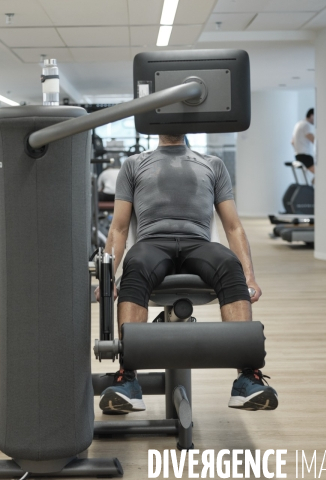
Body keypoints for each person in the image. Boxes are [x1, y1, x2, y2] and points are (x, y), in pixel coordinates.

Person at [96, 134, 278, 414]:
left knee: (230, 266)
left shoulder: (213, 164)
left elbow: (233, 226)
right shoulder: (133, 164)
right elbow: (119, 228)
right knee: (136, 266)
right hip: (152, 244)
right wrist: (108, 277)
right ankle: (128, 379)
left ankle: (247, 378)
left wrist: (249, 277)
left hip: (199, 244)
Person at [292, 108, 315, 175]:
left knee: (318, 176)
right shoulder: (306, 125)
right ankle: (313, 183)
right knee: (321, 174)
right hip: (305, 157)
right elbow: (313, 140)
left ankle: (313, 183)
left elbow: (292, 142)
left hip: (297, 156)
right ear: (311, 115)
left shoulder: (298, 124)